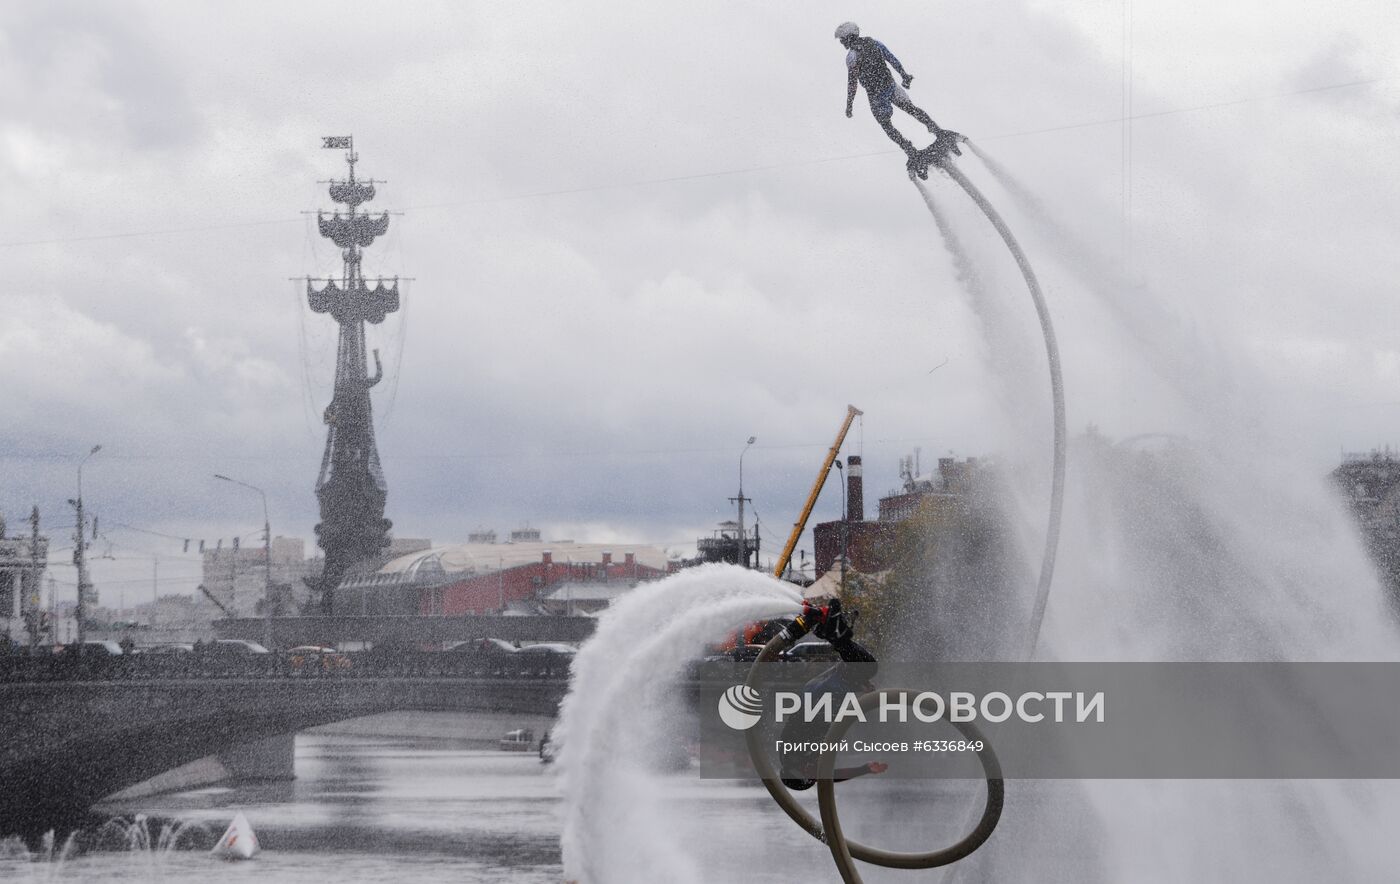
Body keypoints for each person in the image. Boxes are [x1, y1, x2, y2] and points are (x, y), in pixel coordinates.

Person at [777, 598, 889, 791]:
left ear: (798, 771)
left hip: (820, 698)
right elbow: (828, 775)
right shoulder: (797, 760)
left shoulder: (794, 755)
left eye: (809, 773)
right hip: (816, 694)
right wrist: (865, 769)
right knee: (867, 666)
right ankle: (830, 630)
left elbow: (825, 773)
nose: (813, 771)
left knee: (866, 668)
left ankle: (834, 634)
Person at [836, 21, 951, 158]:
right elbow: (891, 58)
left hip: (876, 95)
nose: (841, 42)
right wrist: (904, 75)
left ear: (849, 36)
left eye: (842, 39)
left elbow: (852, 84)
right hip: (891, 86)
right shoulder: (874, 42)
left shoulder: (852, 56)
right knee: (911, 109)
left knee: (886, 125)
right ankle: (938, 132)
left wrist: (849, 105)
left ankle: (909, 149)